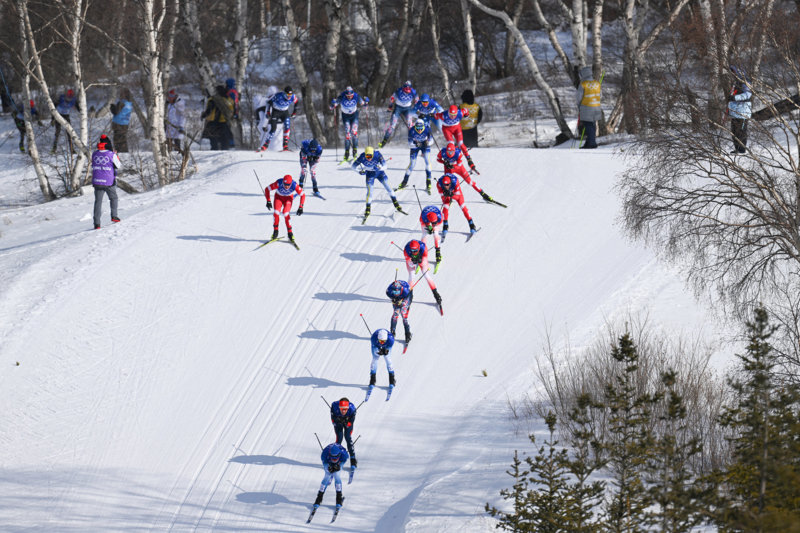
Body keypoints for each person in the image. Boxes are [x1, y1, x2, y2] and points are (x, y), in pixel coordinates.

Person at [351, 146, 404, 220]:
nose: (368, 158)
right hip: (370, 174)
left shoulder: (377, 154)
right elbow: (353, 167)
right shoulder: (362, 157)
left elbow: (385, 166)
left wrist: (380, 168)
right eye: (367, 156)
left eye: (370, 156)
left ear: (373, 154)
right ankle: (368, 209)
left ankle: (397, 205)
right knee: (370, 192)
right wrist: (359, 171)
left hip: (380, 173)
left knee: (388, 187)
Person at [330, 86, 368, 161]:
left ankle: (355, 151)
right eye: (348, 96)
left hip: (354, 115)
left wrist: (366, 102)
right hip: (345, 116)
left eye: (351, 96)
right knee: (347, 134)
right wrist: (333, 104)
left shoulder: (356, 96)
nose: (349, 97)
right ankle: (347, 152)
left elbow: (364, 106)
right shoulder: (342, 96)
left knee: (354, 133)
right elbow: (332, 107)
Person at [264, 174, 305, 242]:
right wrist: (268, 201)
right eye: (285, 184)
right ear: (283, 182)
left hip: (288, 198)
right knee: (276, 212)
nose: (286, 186)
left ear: (291, 183)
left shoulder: (294, 185)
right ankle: (275, 232)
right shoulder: (278, 183)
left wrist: (301, 207)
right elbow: (267, 189)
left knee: (285, 213)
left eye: (288, 184)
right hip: (278, 197)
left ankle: (290, 233)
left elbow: (303, 195)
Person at [91, 140, 122, 229]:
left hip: (97, 181)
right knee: (113, 198)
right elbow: (118, 165)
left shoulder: (94, 154)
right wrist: (116, 155)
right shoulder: (111, 154)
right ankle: (114, 216)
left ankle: (96, 224)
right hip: (108, 181)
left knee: (98, 202)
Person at [435, 104, 476, 172]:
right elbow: (436, 115)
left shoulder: (460, 113)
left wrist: (467, 115)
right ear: (448, 113)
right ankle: (450, 161)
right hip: (447, 129)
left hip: (457, 128)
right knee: (451, 144)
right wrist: (432, 115)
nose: (453, 117)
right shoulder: (444, 115)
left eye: (454, 115)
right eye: (451, 115)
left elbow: (465, 111)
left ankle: (469, 160)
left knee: (461, 144)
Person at [403, 239, 442, 309]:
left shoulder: (423, 247)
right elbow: (410, 264)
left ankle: (436, 294)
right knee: (411, 276)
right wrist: (413, 262)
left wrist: (420, 261)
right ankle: (409, 296)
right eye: (412, 251)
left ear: (418, 249)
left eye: (415, 251)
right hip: (411, 260)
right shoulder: (406, 250)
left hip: (421, 257)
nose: (413, 252)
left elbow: (424, 262)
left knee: (426, 275)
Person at [396, 118, 433, 192]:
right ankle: (404, 182)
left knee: (427, 161)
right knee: (412, 164)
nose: (419, 129)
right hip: (415, 147)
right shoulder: (412, 130)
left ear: (423, 126)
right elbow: (410, 144)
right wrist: (416, 144)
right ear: (415, 126)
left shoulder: (427, 129)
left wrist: (428, 143)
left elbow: (432, 140)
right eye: (417, 128)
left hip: (425, 146)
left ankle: (428, 182)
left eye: (420, 127)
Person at [258, 85, 299, 152]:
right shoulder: (278, 96)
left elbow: (296, 103)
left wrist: (294, 112)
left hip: (285, 112)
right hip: (276, 112)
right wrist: (268, 112)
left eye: (290, 94)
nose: (289, 96)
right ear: (284, 93)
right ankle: (265, 145)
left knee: (287, 126)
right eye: (288, 94)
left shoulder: (293, 97)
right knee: (273, 128)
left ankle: (285, 146)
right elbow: (269, 102)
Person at [378, 80, 418, 148]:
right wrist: (390, 107)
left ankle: (414, 141)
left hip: (407, 109)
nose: (407, 90)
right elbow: (392, 98)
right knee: (392, 125)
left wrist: (416, 108)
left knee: (410, 125)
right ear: (403, 87)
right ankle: (384, 141)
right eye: (406, 89)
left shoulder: (413, 91)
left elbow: (417, 99)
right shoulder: (399, 91)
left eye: (408, 89)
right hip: (398, 108)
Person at [437, 173, 477, 238]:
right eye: (444, 185)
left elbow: (458, 197)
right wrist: (445, 195)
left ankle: (472, 224)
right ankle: (445, 225)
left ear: (450, 183)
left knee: (463, 207)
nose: (446, 186)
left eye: (447, 185)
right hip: (448, 194)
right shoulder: (439, 184)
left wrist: (451, 195)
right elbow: (443, 197)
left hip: (455, 194)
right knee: (445, 208)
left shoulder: (455, 182)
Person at [311, 442, 349, 512]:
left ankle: (339, 498)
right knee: (327, 475)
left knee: (337, 475)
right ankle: (319, 498)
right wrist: (328, 467)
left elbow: (345, 459)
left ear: (339, 455)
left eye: (336, 458)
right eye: (333, 458)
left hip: (339, 462)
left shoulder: (343, 453)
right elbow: (324, 463)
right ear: (329, 455)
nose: (334, 460)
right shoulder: (324, 454)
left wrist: (339, 465)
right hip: (328, 462)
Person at [728, 65, 752, 154]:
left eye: (734, 72)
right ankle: (737, 149)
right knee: (734, 132)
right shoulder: (735, 83)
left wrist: (735, 98)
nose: (732, 74)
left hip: (743, 111)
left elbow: (748, 94)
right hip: (734, 111)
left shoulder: (745, 82)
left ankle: (741, 150)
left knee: (741, 132)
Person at [201, 85, 234, 150]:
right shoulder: (229, 100)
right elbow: (232, 111)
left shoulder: (213, 99)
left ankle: (214, 153)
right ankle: (224, 154)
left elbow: (209, 110)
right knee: (224, 141)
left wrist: (203, 115)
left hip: (213, 123)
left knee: (213, 140)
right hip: (224, 123)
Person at [575, 66, 601, 149]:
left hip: (586, 107)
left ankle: (592, 144)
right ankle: (589, 143)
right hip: (596, 107)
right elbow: (601, 95)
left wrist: (579, 106)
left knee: (588, 125)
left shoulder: (583, 84)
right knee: (592, 125)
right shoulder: (597, 83)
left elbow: (579, 97)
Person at [329, 398, 357, 465]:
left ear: (348, 408)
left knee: (347, 437)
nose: (343, 411)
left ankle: (353, 457)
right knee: (339, 438)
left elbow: (351, 422)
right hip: (338, 423)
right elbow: (333, 420)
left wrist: (347, 422)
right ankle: (335, 457)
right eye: (342, 409)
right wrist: (338, 420)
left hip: (347, 422)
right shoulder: (334, 406)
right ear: (339, 407)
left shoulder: (352, 409)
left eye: (345, 409)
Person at [368, 329, 397, 394]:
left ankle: (392, 379)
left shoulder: (391, 339)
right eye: (380, 341)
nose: (382, 343)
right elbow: (374, 349)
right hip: (376, 345)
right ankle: (372, 379)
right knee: (375, 360)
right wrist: (378, 352)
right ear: (378, 338)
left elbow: (389, 348)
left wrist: (386, 350)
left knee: (388, 359)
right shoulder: (373, 338)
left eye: (383, 341)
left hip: (387, 345)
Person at [52, 88, 78, 153]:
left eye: (70, 97)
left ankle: (72, 149)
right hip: (58, 115)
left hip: (66, 116)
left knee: (69, 132)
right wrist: (52, 118)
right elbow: (53, 107)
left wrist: (83, 112)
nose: (69, 99)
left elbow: (78, 107)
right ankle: (54, 148)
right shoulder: (61, 98)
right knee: (57, 132)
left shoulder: (74, 100)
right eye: (68, 97)